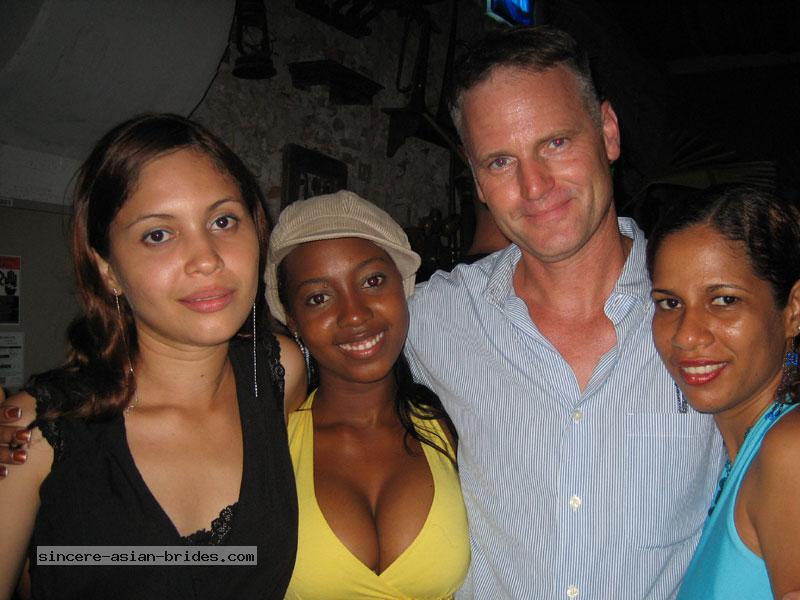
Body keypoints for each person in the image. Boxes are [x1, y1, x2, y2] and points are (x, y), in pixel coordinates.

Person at [402, 26, 724, 597]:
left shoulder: (713, 318)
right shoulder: (435, 319)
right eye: (500, 161)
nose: (534, 186)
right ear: (477, 181)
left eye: (554, 142)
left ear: (608, 131)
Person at [0, 113, 304, 600]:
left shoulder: (277, 373)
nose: (206, 259)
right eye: (158, 234)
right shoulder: (31, 432)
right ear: (107, 270)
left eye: (223, 221)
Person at [265, 191, 469, 599]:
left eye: (372, 281)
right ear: (293, 320)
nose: (355, 313)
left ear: (403, 286)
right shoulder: (269, 441)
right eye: (319, 298)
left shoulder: (455, 424)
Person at [647, 185, 800, 599]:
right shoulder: (744, 456)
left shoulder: (790, 450)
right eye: (670, 303)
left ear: (793, 309)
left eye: (724, 300)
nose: (687, 335)